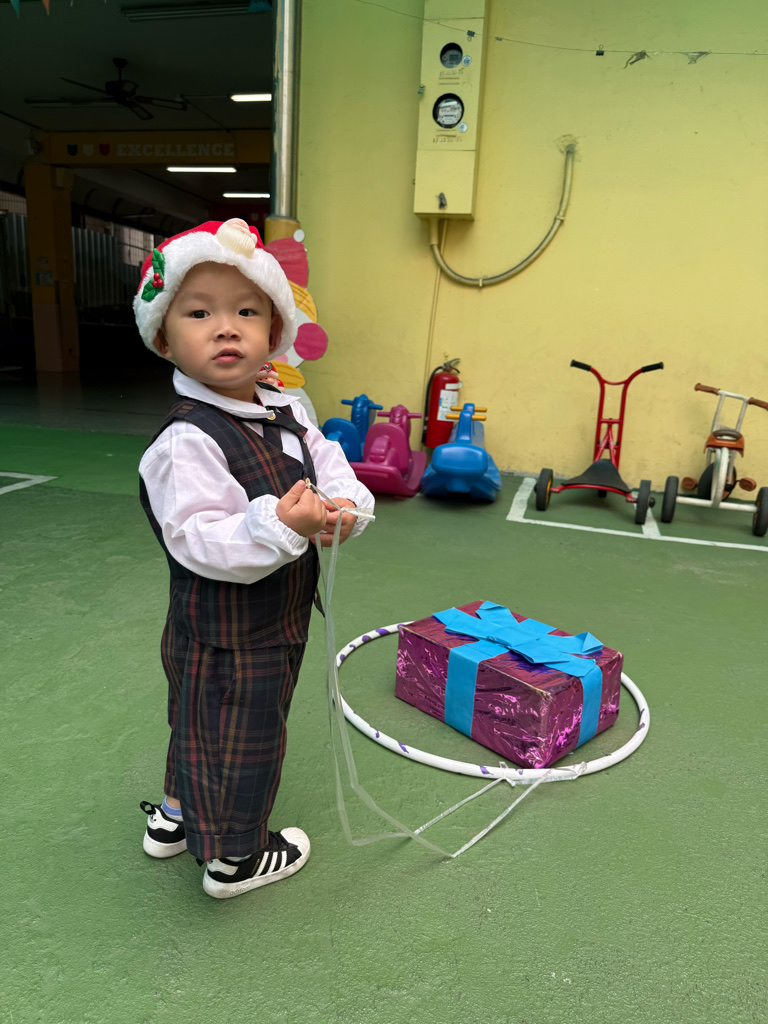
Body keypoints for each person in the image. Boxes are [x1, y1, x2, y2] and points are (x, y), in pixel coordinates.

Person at [134, 218, 374, 899]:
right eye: (199, 313)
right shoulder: (186, 440)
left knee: (199, 723)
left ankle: (176, 817)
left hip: (274, 619)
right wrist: (277, 525)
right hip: (228, 633)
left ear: (274, 331)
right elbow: (199, 538)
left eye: (246, 312)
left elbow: (329, 463)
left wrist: (346, 508)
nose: (226, 328)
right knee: (245, 738)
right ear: (163, 336)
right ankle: (235, 860)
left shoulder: (284, 409)